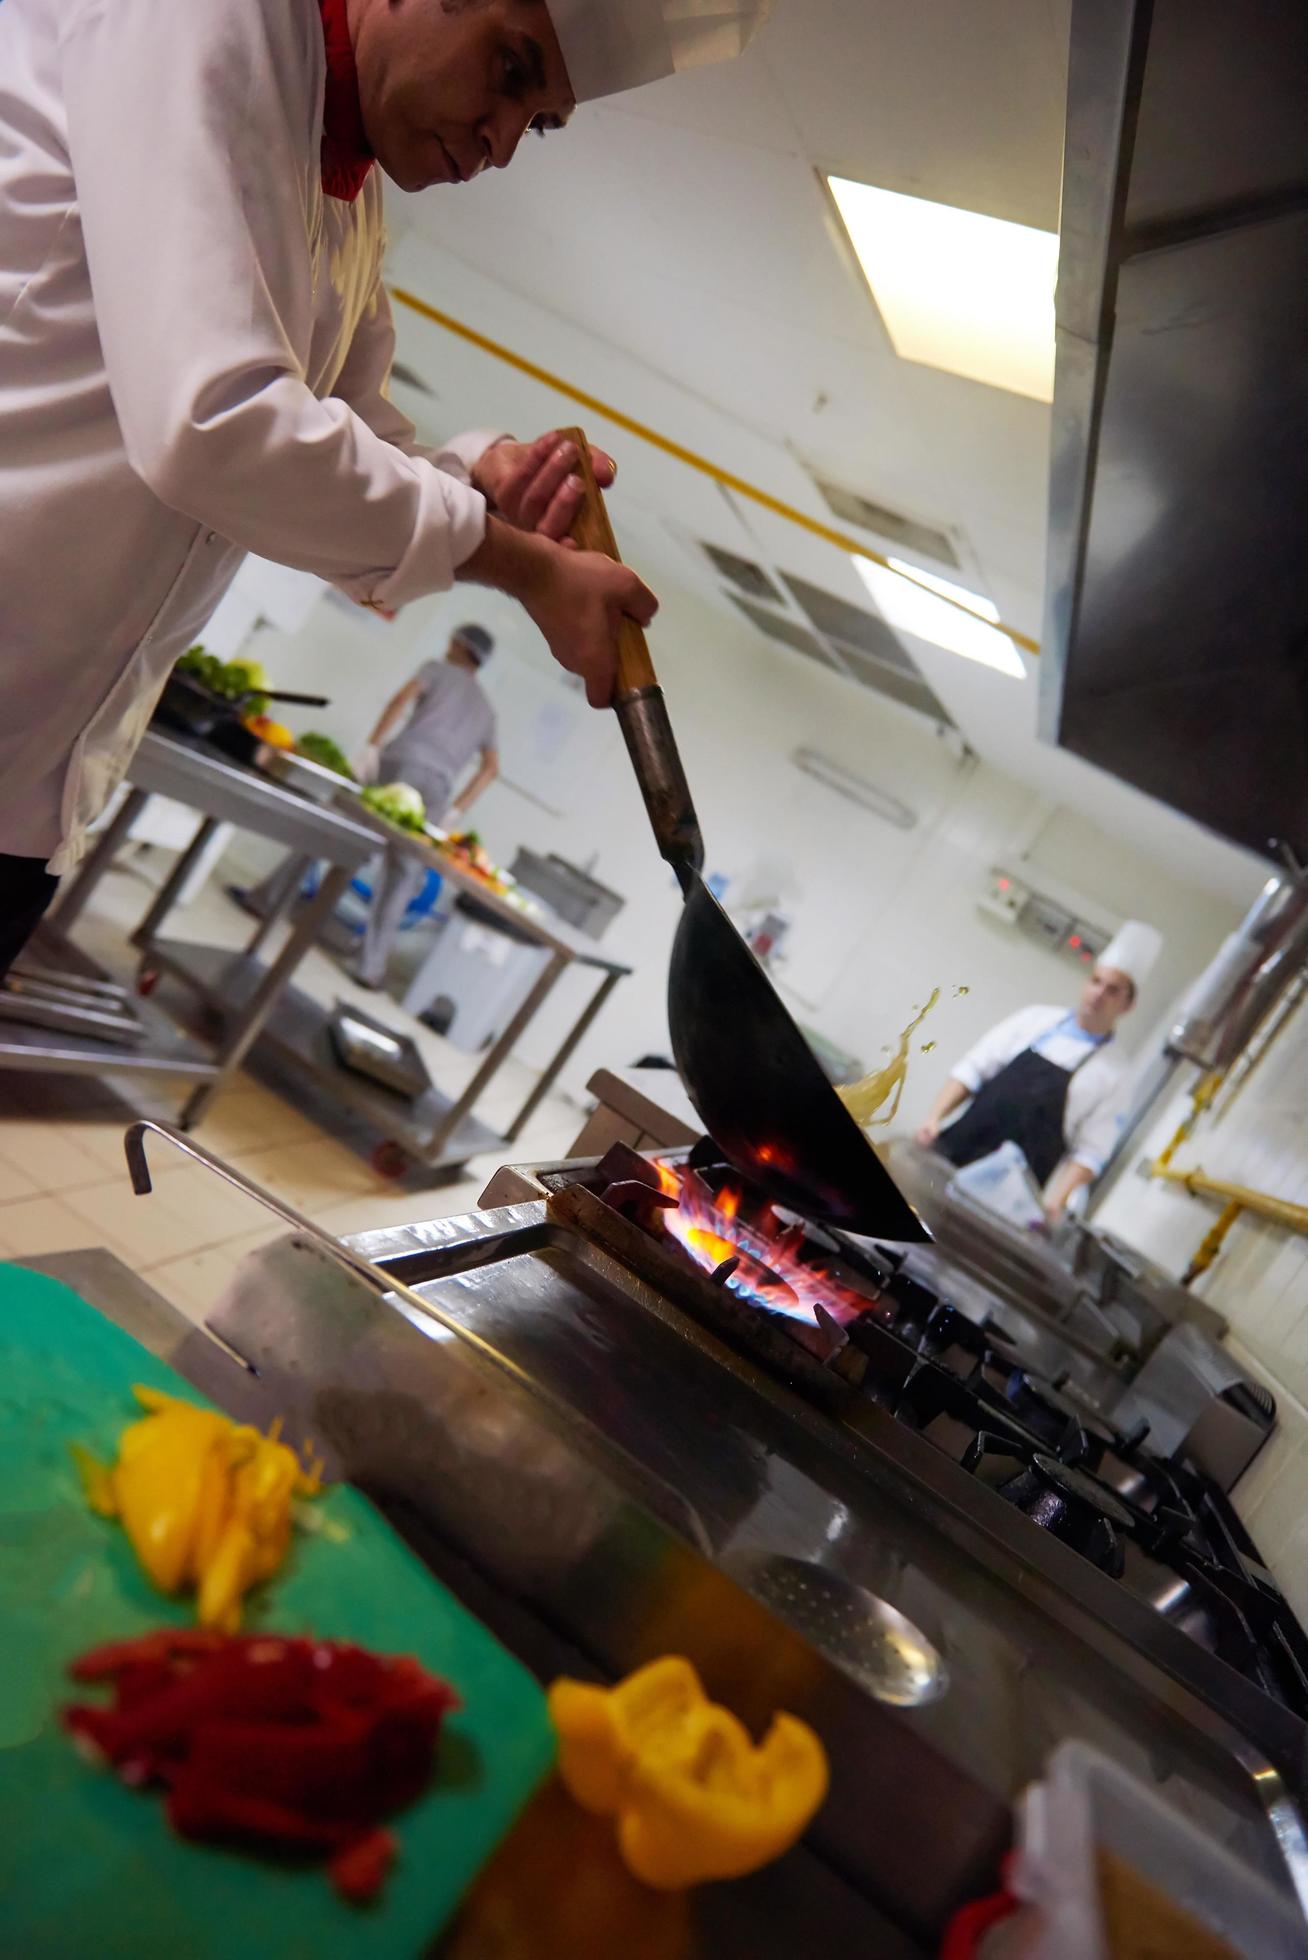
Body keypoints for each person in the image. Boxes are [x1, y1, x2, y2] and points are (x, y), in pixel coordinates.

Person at [0, 0, 770, 977]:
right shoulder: (196, 21)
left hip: (35, 780)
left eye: (534, 120)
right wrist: (522, 568)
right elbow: (214, 430)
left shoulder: (350, 213)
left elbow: (346, 458)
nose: (500, 142)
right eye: (509, 68)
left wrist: (485, 488)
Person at [914, 923, 1162, 1220]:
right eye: (1096, 981)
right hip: (951, 1153)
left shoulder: (1116, 1075)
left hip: (1006, 1198)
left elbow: (1091, 1152)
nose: (1098, 994)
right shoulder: (1034, 1020)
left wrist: (1055, 1203)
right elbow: (973, 1070)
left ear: (1128, 1005)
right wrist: (934, 1118)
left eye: (1112, 990)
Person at [356, 622, 500, 987]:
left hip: (401, 763)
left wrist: (372, 745)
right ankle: (370, 970)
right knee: (403, 875)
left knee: (344, 826)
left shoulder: (436, 669)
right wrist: (457, 810)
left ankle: (268, 901)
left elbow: (400, 700)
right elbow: (491, 768)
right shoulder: (486, 709)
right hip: (439, 790)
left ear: (459, 644)